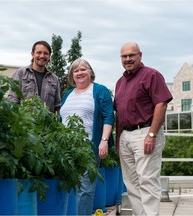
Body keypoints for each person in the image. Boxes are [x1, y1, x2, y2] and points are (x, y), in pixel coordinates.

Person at [114, 42, 173, 216]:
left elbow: (161, 104)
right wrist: (118, 140)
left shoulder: (151, 75)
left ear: (140, 55)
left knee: (147, 181)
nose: (128, 59)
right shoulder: (120, 82)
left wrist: (152, 134)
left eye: (131, 55)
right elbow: (119, 113)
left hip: (145, 132)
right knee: (131, 183)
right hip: (126, 136)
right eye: (124, 56)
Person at [60, 58, 115, 215]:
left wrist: (104, 141)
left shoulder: (99, 90)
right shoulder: (67, 94)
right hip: (66, 150)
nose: (79, 73)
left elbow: (108, 116)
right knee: (69, 188)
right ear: (72, 75)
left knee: (85, 189)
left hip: (88, 148)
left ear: (90, 72)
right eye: (76, 70)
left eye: (83, 69)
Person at [7, 40, 61, 113]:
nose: (42, 56)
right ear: (32, 54)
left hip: (45, 124)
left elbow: (57, 106)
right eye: (39, 52)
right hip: (25, 122)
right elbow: (13, 99)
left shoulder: (54, 79)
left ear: (49, 56)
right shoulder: (21, 73)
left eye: (45, 53)